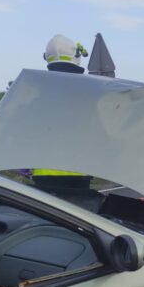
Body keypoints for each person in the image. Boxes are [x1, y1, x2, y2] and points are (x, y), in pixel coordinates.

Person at [32, 35, 92, 191]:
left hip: (42, 175)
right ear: (77, 56)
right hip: (79, 172)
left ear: (47, 58)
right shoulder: (88, 92)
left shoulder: (36, 93)